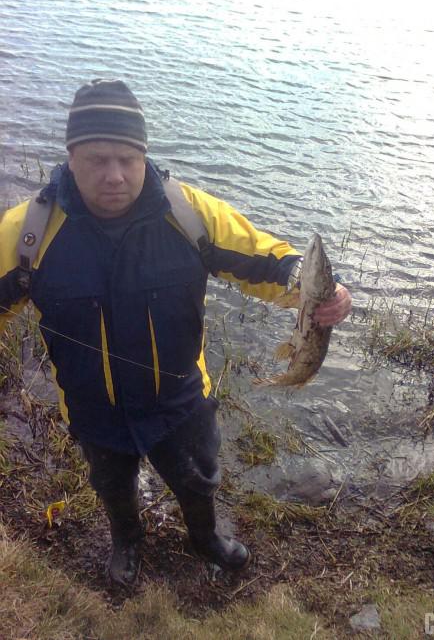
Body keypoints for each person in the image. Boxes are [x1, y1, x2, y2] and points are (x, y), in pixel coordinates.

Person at [0, 79, 352, 585]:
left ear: (144, 156)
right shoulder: (28, 232)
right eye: (97, 159)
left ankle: (205, 537)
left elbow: (266, 261)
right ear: (71, 157)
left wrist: (320, 293)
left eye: (127, 159)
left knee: (197, 479)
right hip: (91, 407)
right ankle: (127, 540)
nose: (114, 175)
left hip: (181, 400)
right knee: (112, 484)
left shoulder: (188, 213)